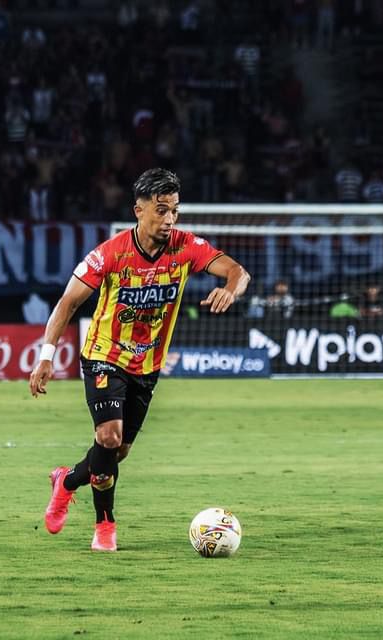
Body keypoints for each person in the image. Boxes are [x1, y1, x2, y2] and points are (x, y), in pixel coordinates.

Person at [29, 168, 250, 552]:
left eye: (174, 210)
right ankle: (105, 526)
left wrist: (231, 289)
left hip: (147, 366)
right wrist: (46, 356)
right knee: (108, 436)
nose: (169, 219)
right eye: (161, 210)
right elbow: (67, 303)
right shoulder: (109, 253)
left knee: (117, 452)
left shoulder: (185, 247)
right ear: (139, 210)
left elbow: (237, 271)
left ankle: (66, 480)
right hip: (104, 355)